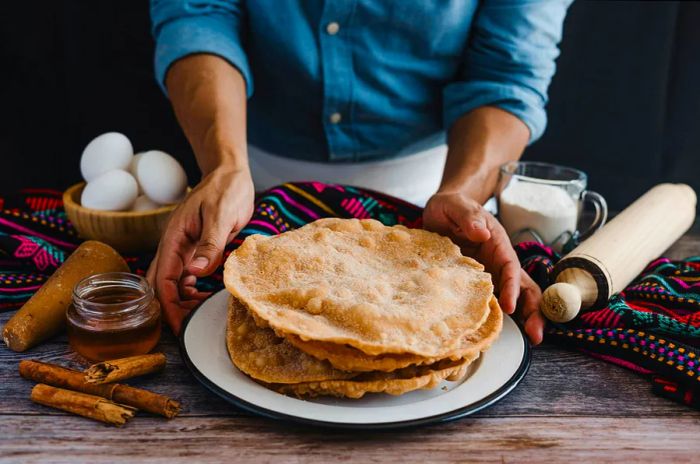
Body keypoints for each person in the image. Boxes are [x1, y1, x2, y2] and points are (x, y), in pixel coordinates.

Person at [148, 0, 573, 342]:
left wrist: (464, 193)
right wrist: (223, 166)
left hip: (439, 193)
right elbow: (198, 15)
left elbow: (507, 70)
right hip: (248, 183)